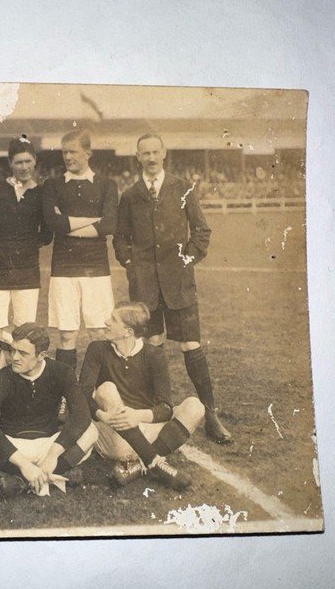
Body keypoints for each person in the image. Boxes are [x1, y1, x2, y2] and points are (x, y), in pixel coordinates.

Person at [114, 133, 232, 443]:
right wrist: (132, 266)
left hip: (178, 283)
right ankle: (156, 409)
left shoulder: (183, 188)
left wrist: (186, 259)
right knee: (152, 345)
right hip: (145, 287)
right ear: (137, 157)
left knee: (190, 345)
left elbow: (202, 231)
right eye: (145, 153)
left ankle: (212, 413)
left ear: (164, 153)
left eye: (155, 152)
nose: (150, 158)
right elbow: (119, 238)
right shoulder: (130, 194)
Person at [79, 302, 204, 490]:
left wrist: (137, 416)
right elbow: (82, 395)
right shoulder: (97, 349)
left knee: (195, 405)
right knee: (106, 389)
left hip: (144, 428)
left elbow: (165, 408)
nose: (106, 322)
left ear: (128, 332)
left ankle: (140, 464)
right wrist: (103, 415)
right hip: (114, 435)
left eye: (113, 320)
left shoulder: (154, 355)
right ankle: (153, 461)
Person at [0, 323, 98, 498]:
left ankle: (21, 480)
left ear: (42, 356)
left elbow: (81, 415)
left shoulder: (61, 372)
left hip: (48, 444)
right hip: (14, 448)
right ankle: (47, 474)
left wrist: (53, 455)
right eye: (13, 350)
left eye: (23, 353)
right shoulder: (2, 378)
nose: (14, 357)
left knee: (91, 431)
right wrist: (24, 464)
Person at [42, 129, 119, 372]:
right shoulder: (53, 185)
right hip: (63, 269)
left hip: (96, 269)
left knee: (98, 332)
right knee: (66, 334)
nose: (67, 156)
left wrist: (67, 224)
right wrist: (91, 221)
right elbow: (53, 224)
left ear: (88, 153)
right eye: (64, 152)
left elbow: (108, 225)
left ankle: (99, 387)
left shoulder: (106, 185)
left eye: (73, 151)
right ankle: (67, 392)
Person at [0, 136, 52, 339]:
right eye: (18, 162)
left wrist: (27, 245)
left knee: (26, 329)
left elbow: (47, 233)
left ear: (35, 160)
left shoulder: (42, 193)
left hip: (27, 270)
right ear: (10, 163)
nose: (24, 166)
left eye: (28, 161)